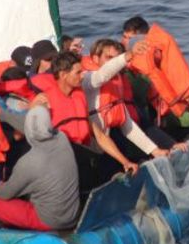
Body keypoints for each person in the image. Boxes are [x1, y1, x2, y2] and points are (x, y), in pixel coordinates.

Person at [33, 51, 140, 188]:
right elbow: (34, 138)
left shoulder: (79, 97)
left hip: (85, 157)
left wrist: (125, 161)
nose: (82, 76)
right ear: (63, 75)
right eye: (78, 73)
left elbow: (100, 136)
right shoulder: (44, 100)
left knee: (104, 166)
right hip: (62, 164)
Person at [0, 95, 80, 231]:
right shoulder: (62, 138)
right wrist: (2, 113)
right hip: (72, 215)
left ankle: (1, 239)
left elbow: (4, 194)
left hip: (49, 220)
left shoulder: (29, 162)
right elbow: (32, 126)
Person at [82, 39, 186, 159]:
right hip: (91, 146)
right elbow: (102, 75)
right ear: (95, 58)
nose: (113, 62)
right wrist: (128, 55)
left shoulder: (116, 84)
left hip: (109, 141)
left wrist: (155, 150)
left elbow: (128, 125)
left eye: (116, 58)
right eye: (108, 57)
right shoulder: (87, 78)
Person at [121, 15, 189, 134]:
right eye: (124, 37)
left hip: (155, 111)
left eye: (130, 38)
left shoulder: (151, 58)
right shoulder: (119, 56)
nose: (125, 42)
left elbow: (169, 84)